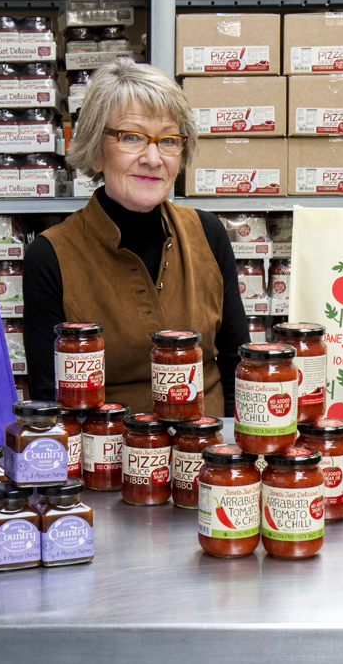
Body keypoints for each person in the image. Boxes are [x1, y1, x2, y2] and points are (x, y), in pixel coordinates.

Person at [23, 58, 249, 417]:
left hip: (208, 453)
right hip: (105, 457)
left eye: (169, 140)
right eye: (132, 137)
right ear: (96, 151)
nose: (153, 158)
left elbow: (240, 366)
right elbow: (51, 399)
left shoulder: (208, 233)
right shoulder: (51, 255)